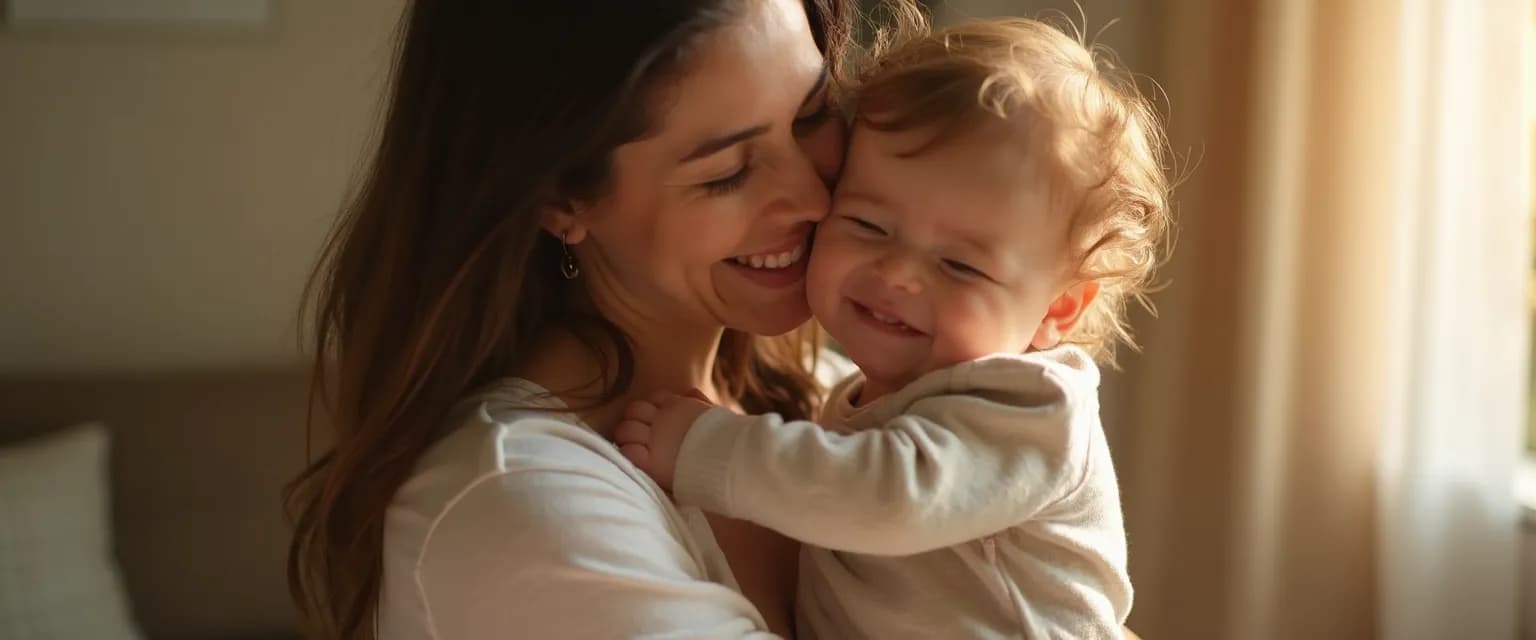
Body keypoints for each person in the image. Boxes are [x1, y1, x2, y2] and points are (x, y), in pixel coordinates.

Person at [282, 1, 855, 638]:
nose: (813, 195)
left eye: (812, 114)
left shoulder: (826, 390)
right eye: (727, 173)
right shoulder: (521, 503)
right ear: (562, 195)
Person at [616, 12, 1171, 639]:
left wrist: (708, 449)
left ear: (1057, 310)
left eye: (960, 266)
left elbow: (886, 496)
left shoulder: (1031, 409)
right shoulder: (857, 397)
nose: (900, 275)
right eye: (868, 225)